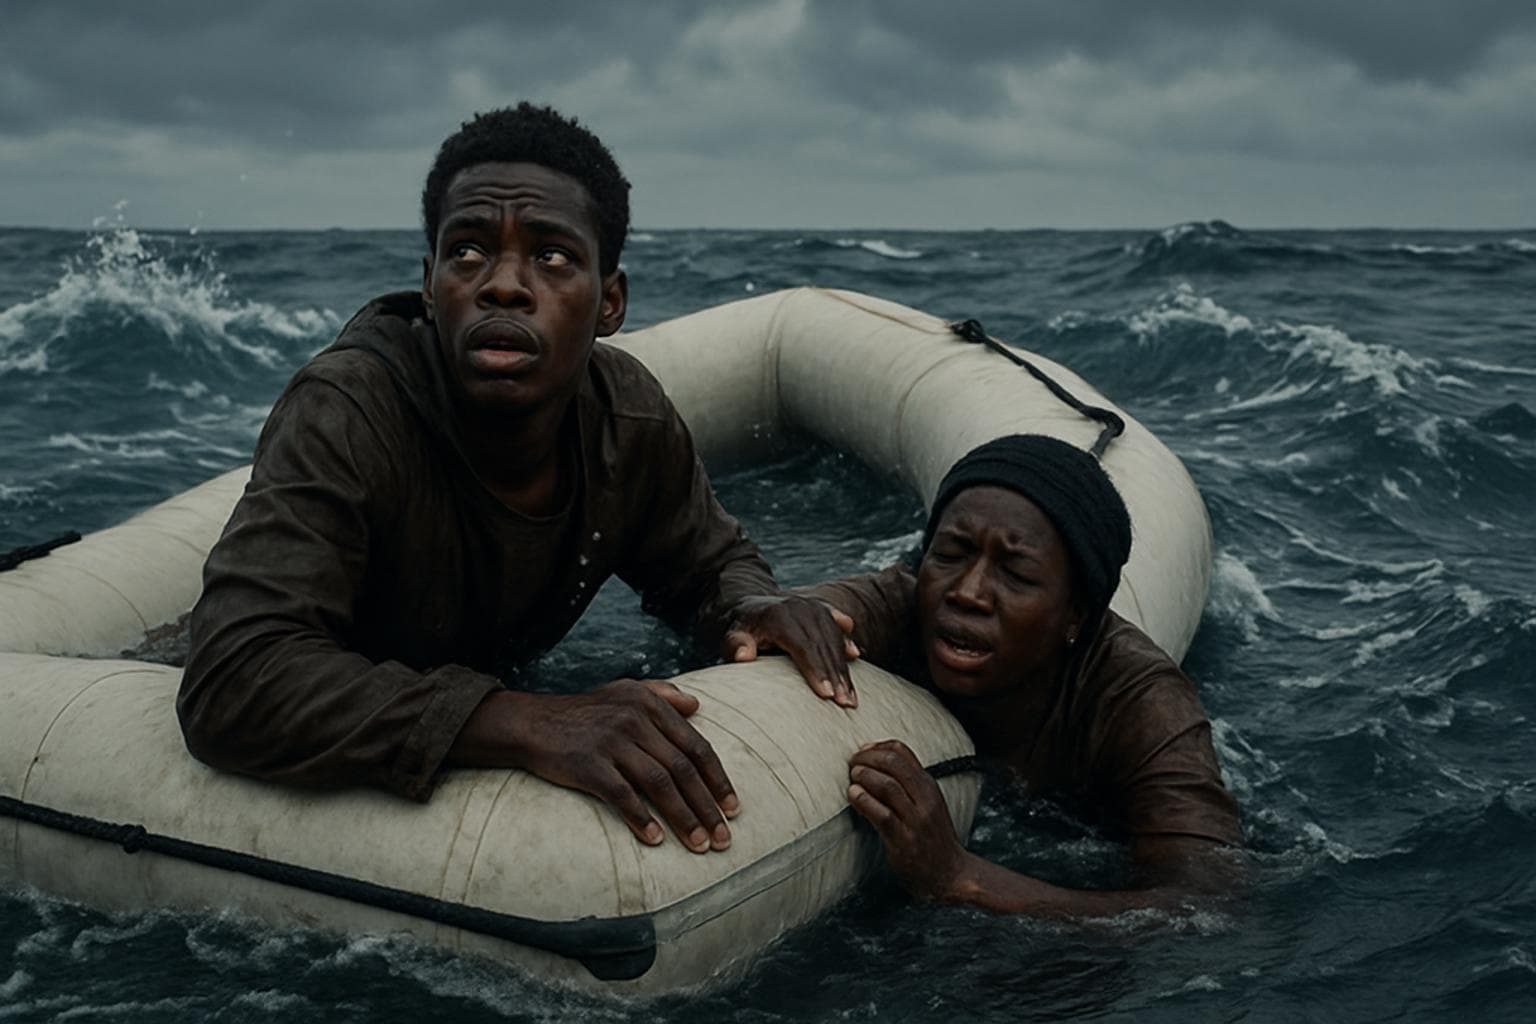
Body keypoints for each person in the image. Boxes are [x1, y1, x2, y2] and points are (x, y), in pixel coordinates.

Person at [178, 103, 855, 856]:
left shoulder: (627, 419)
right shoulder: (348, 410)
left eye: (552, 257)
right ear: (430, 286)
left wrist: (752, 605)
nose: (503, 285)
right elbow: (231, 679)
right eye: (466, 252)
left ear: (611, 302)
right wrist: (531, 720)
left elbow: (707, 566)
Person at [808, 434, 1242, 917]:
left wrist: (959, 877)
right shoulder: (906, 602)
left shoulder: (1140, 702)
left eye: (1015, 574)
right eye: (951, 553)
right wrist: (779, 615)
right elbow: (813, 613)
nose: (969, 592)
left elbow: (1209, 905)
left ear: (1076, 616)